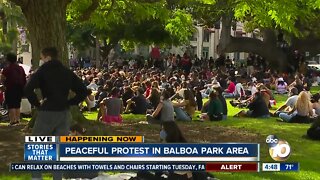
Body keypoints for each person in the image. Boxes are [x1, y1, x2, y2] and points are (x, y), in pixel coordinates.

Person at [24, 47, 87, 180]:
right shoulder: (67, 72)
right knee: (59, 147)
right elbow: (83, 91)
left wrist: (37, 103)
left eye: (41, 57)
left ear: (47, 57)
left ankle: (37, 177)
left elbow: (28, 89)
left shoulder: (42, 71)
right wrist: (70, 102)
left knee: (37, 146)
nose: (41, 60)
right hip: (63, 112)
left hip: (47, 111)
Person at [1, 53, 26, 125]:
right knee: (17, 104)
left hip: (10, 88)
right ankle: (18, 120)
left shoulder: (7, 69)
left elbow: (2, 78)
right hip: (19, 88)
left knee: (11, 104)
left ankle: (12, 120)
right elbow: (24, 78)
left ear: (8, 60)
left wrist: (3, 84)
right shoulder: (21, 68)